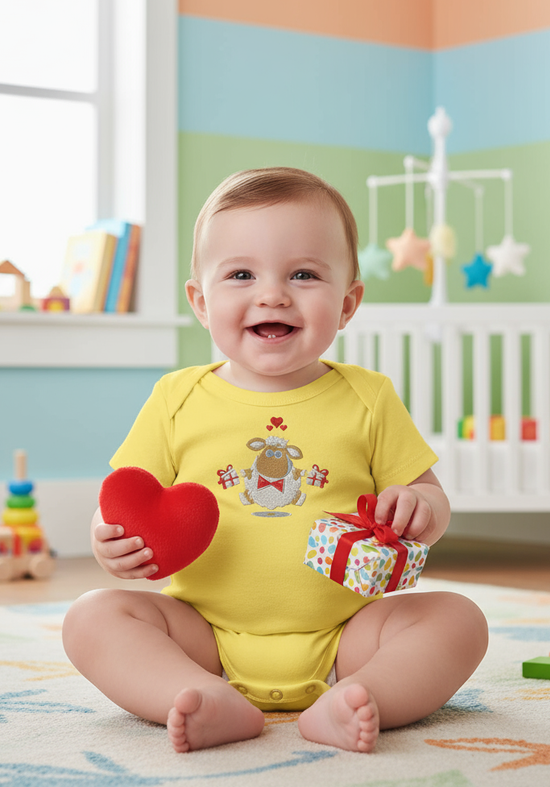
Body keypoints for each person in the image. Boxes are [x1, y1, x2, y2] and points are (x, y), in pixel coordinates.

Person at [62, 167, 488, 755]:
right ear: (201, 302)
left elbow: (431, 498)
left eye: (304, 275)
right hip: (202, 634)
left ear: (347, 303)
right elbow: (126, 497)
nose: (272, 294)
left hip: (347, 635)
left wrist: (420, 509)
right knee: (91, 617)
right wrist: (110, 541)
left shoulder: (369, 397)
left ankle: (361, 696)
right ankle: (196, 694)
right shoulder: (176, 397)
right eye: (241, 274)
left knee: (459, 620)